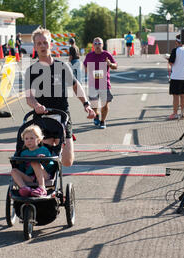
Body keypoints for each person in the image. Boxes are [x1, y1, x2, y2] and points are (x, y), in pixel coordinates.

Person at [24, 27, 96, 167]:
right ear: (35, 47)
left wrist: (86, 104)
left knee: (67, 162)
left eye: (45, 42)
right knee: (44, 159)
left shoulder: (63, 66)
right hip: (42, 117)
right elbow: (29, 98)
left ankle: (58, 155)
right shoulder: (30, 71)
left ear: (50, 43)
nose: (43, 46)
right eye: (39, 43)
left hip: (62, 116)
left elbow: (76, 86)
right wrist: (36, 106)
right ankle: (46, 184)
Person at [83, 37, 118, 129]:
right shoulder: (89, 55)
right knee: (94, 105)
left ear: (102, 45)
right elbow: (85, 67)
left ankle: (102, 121)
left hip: (104, 83)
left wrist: (110, 64)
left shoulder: (106, 54)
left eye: (99, 43)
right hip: (93, 84)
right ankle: (96, 115)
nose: (97, 45)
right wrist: (88, 70)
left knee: (105, 104)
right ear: (93, 45)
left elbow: (115, 66)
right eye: (95, 43)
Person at [11, 124, 54, 197]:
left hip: (44, 176)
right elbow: (22, 168)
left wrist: (44, 160)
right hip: (30, 177)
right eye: (26, 139)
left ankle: (42, 188)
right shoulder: (23, 153)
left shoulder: (43, 150)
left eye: (31, 138)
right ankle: (24, 188)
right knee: (14, 171)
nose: (29, 141)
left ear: (39, 139)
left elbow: (52, 165)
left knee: (34, 162)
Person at [168, 34, 184, 120]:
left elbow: (171, 63)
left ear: (177, 42)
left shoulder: (175, 50)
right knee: (182, 95)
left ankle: (175, 113)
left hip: (175, 76)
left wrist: (168, 59)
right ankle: (183, 113)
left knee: (175, 96)